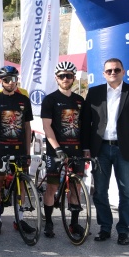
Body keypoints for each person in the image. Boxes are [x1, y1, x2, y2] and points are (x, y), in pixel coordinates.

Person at [85, 58, 129, 245]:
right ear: (104, 74)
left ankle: (123, 231)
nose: (113, 73)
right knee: (100, 192)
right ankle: (105, 228)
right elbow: (85, 122)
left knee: (126, 193)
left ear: (123, 72)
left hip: (125, 149)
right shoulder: (94, 93)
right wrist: (85, 148)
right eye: (109, 71)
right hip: (100, 149)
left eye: (116, 70)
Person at [40, 61, 91, 239]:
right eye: (62, 76)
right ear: (56, 78)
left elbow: (84, 127)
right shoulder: (50, 99)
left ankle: (74, 223)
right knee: (52, 187)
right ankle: (48, 222)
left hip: (76, 149)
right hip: (56, 150)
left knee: (76, 186)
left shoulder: (79, 100)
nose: (65, 78)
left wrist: (86, 148)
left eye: (69, 75)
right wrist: (57, 149)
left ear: (74, 78)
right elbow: (47, 127)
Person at [0, 65, 34, 235]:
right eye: (7, 79)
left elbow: (27, 128)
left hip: (19, 149)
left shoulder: (24, 100)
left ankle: (20, 219)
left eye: (14, 79)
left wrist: (28, 152)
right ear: (0, 81)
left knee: (21, 183)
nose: (11, 82)